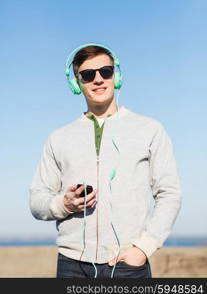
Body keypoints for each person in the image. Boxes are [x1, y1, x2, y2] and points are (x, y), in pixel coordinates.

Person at [29, 43, 182, 278]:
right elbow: (37, 200)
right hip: (72, 265)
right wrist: (64, 204)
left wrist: (144, 247)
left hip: (129, 265)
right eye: (88, 75)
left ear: (116, 75)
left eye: (106, 71)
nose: (98, 79)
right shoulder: (57, 138)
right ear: (76, 84)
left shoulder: (150, 129)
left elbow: (170, 194)